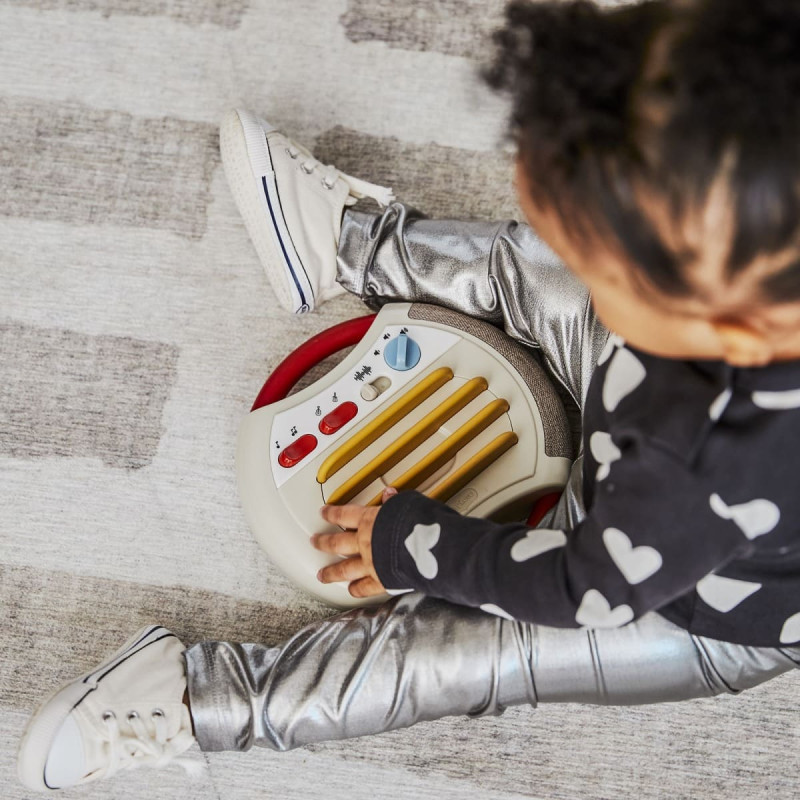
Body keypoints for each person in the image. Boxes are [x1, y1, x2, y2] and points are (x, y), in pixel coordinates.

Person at [17, 0, 800, 791]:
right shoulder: (745, 270)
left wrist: (417, 544)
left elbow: (580, 585)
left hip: (695, 610)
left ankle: (204, 700)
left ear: (728, 324)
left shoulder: (708, 459)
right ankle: (348, 244)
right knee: (535, 267)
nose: (578, 252)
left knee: (465, 660)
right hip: (658, 412)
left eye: (598, 258)